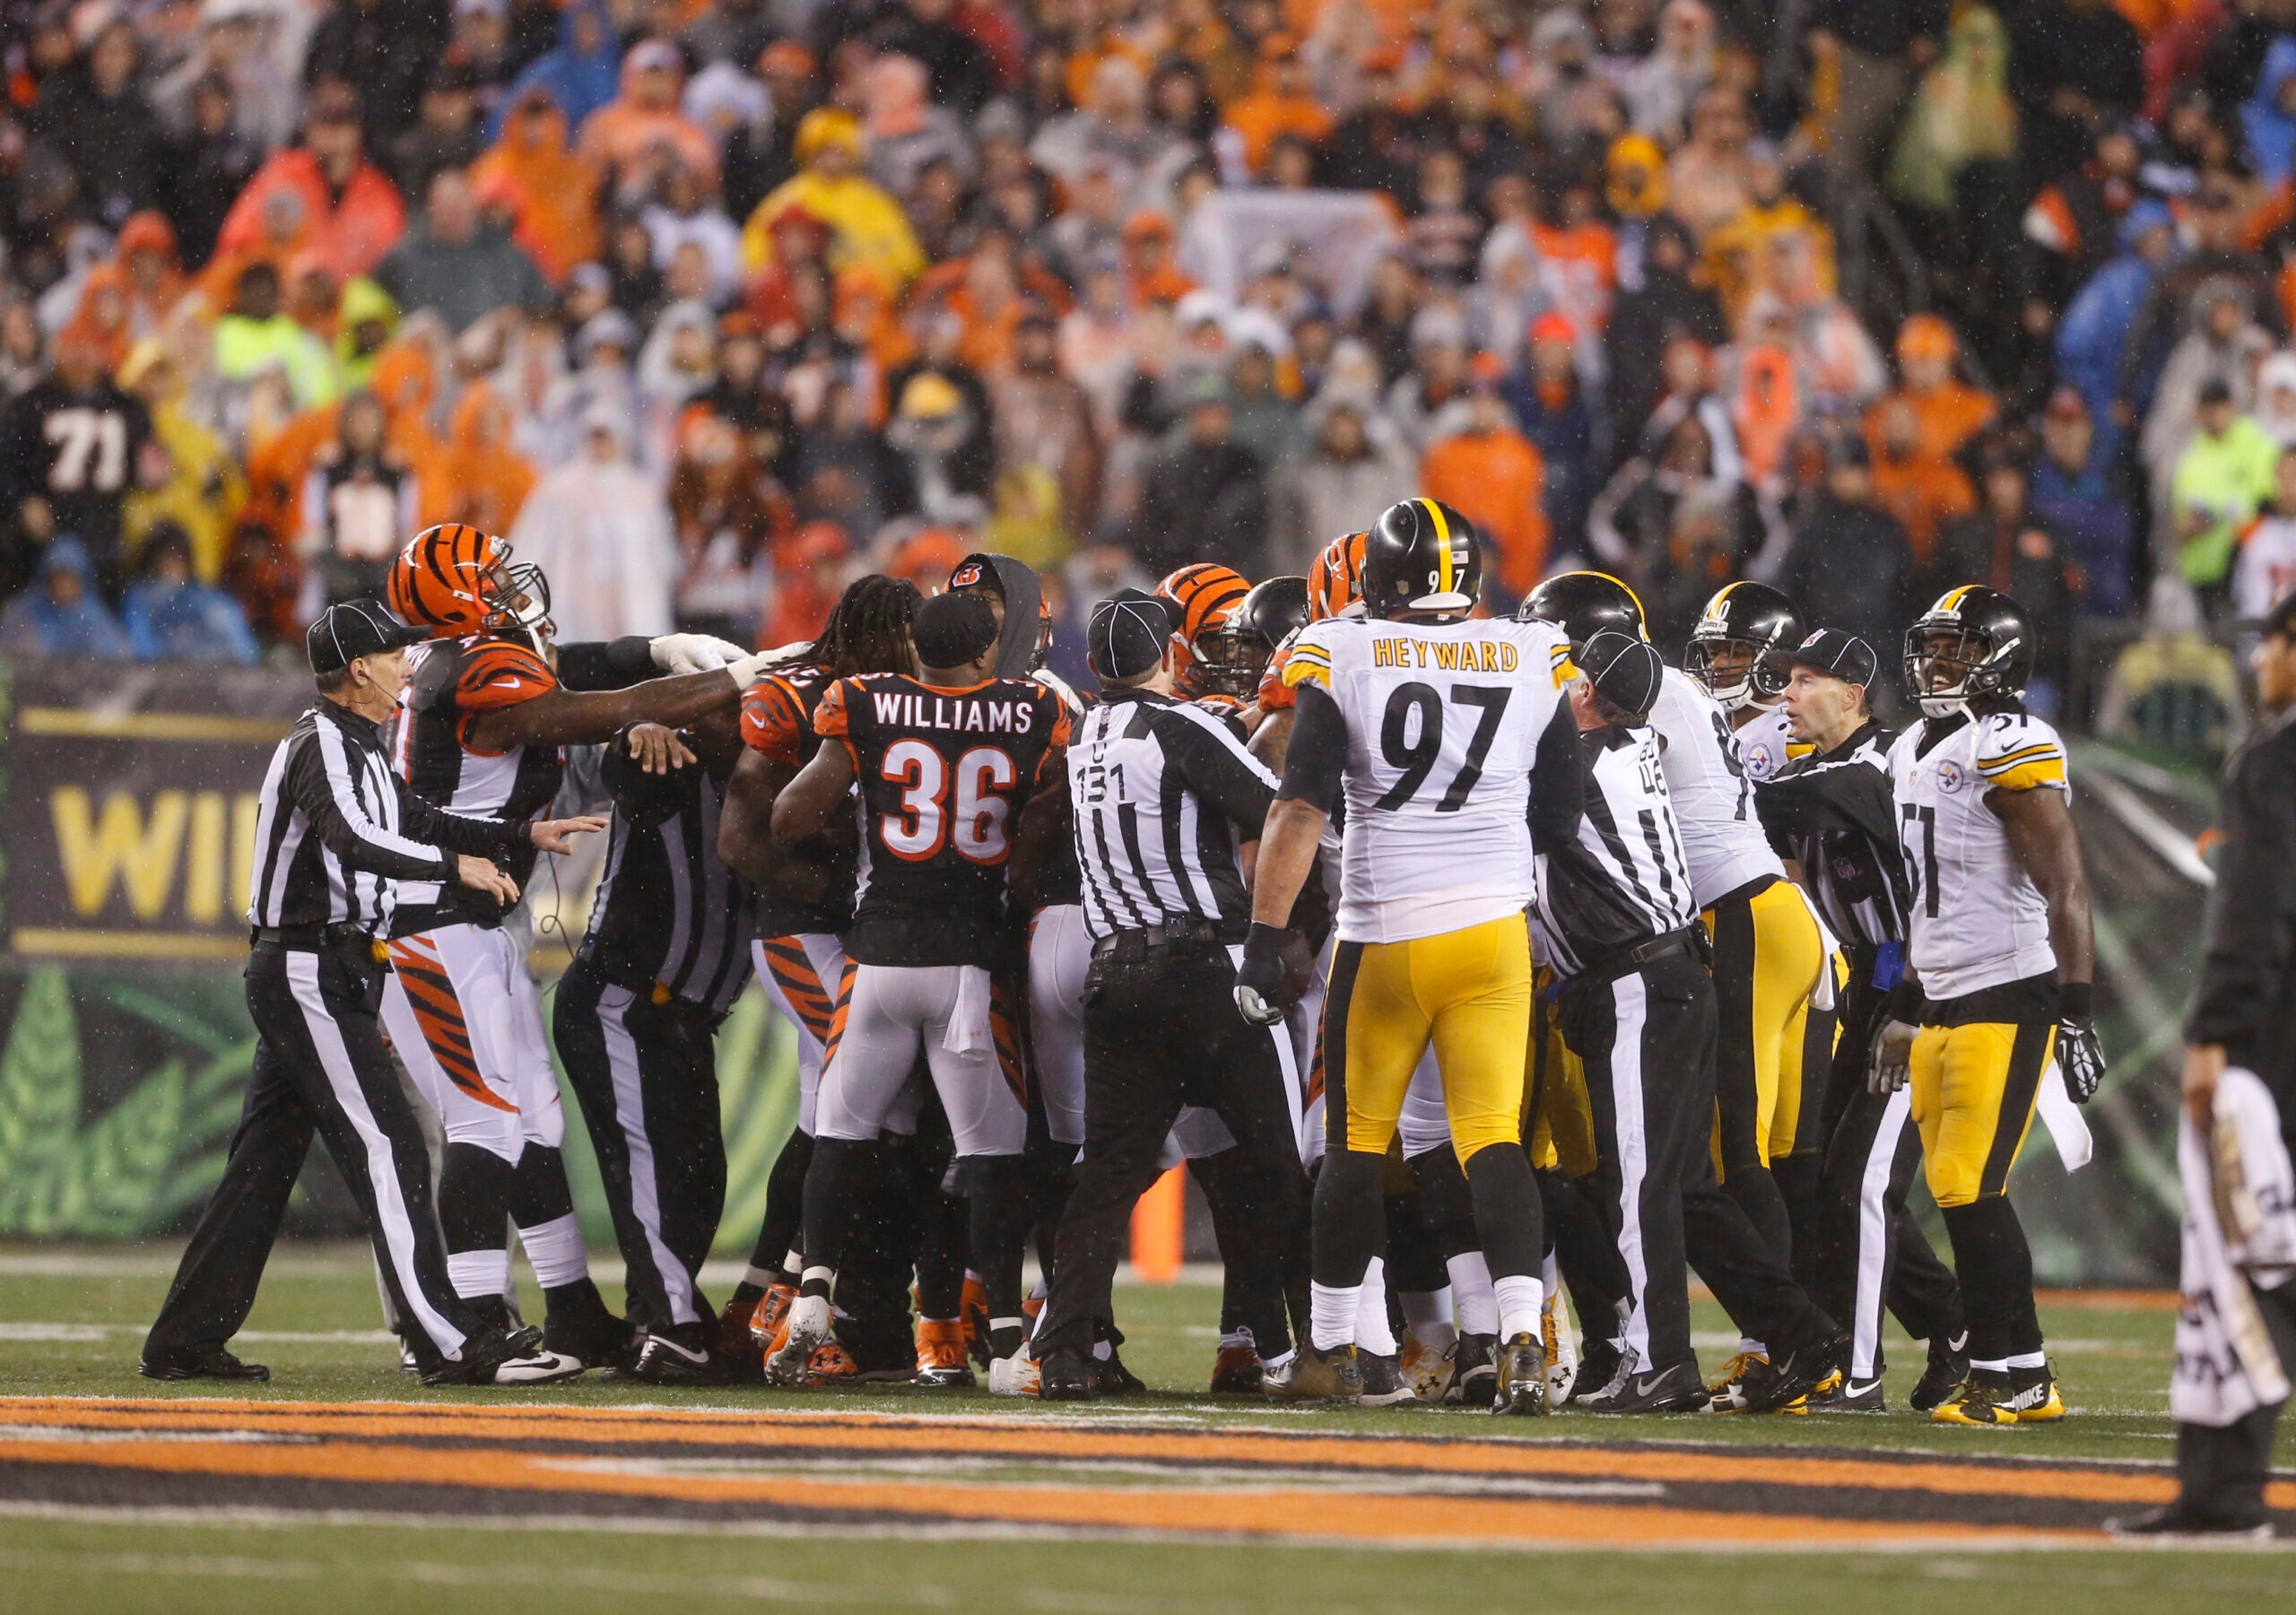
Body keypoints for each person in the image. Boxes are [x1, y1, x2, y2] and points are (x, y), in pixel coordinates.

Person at [140, 600, 601, 1387]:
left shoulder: (356, 741)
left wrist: (516, 837)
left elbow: (413, 816)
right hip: (308, 967)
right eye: (393, 656)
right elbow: (359, 837)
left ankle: (184, 1337)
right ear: (358, 670)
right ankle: (451, 1343)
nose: (406, 667)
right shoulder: (321, 741)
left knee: (261, 1165)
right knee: (390, 1150)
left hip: (333, 967)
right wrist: (455, 867)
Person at [381, 524, 766, 1370]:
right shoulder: (472, 666)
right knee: (484, 1120)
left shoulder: (462, 660)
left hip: (475, 919)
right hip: (431, 919)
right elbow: (584, 708)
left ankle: (571, 1309)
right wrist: (720, 681)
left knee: (534, 1120)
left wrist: (654, 649)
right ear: (464, 600)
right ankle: (472, 1321)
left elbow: (580, 668)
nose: (516, 589)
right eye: (494, 579)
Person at [1238, 499, 1564, 1415]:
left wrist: (1265, 938)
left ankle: (1337, 1350)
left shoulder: (1343, 648)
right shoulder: (1530, 648)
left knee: (1354, 1145)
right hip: (1494, 933)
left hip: (1384, 929)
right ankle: (1518, 1341)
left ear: (1377, 578)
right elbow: (1562, 811)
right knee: (1490, 1142)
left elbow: (1299, 807)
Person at [1521, 574, 1847, 1414]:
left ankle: (1661, 1359)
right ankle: (1804, 1334)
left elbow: (1531, 817)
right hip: (1695, 952)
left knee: (1658, 1174)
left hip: (1663, 958)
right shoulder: (1648, 728)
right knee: (1693, 1182)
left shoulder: (1590, 750)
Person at [766, 591, 1071, 1393]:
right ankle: (1006, 1345)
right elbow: (1049, 829)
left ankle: (813, 1293)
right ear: (984, 654)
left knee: (841, 1133)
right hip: (970, 963)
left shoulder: (863, 700)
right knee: (992, 1157)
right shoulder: (1033, 706)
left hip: (879, 957)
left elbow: (791, 815)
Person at [1028, 588, 1311, 1400]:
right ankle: (1314, 1340)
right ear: (1167, 655)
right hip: (1206, 969)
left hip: (1116, 971)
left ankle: (1067, 1351)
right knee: (1275, 1164)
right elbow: (1279, 805)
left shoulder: (1081, 732)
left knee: (1108, 1176)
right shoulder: (1179, 725)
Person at [1876, 586, 2104, 1425]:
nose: (1940, 663)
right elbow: (1925, 897)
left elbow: (2066, 882)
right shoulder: (1912, 744)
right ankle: (2024, 1364)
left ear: (2001, 658)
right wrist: (1904, 998)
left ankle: (2011, 1375)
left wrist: (2076, 1007)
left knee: (1971, 1186)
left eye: (1959, 649)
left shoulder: (2011, 739)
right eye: (1935, 646)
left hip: (2007, 987)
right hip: (1941, 992)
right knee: (1957, 1185)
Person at [2109, 586, 2296, 1538]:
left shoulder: (2274, 759)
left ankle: (2219, 1489)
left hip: (2275, 1043)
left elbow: (2253, 908)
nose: (2262, 663)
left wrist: (2214, 1030)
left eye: (2274, 645)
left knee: (2243, 1261)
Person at [1755, 630, 1969, 1412]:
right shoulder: (1817, 772)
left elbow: (1789, 802)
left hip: (1919, 987)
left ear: (1851, 693)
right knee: (1828, 1184)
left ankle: (1859, 1370)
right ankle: (1956, 1328)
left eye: (1806, 680)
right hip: (1866, 991)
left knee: (1859, 1184)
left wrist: (1712, 777)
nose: (1787, 694)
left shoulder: (1882, 763)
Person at [714, 577, 925, 1370]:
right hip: (805, 935)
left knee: (824, 1116)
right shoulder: (804, 694)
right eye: (908, 634)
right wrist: (841, 885)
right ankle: (806, 1305)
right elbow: (743, 835)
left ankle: (756, 1305)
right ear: (882, 634)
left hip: (858, 937)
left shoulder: (893, 692)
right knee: (871, 1099)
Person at [554, 708, 756, 1385]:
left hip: (684, 1017)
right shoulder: (668, 755)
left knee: (699, 1180)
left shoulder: (778, 767)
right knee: (650, 1171)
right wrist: (639, 726)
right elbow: (622, 767)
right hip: (624, 1000)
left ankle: (653, 1317)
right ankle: (675, 1327)